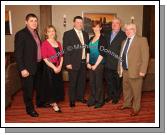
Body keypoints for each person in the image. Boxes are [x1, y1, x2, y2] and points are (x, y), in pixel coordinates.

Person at [118, 23, 149, 116]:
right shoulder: (124, 41)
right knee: (126, 89)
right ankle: (127, 104)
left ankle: (136, 108)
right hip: (125, 70)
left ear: (134, 30)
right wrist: (120, 68)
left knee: (136, 91)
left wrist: (143, 70)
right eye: (126, 29)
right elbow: (121, 56)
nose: (128, 31)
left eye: (130, 29)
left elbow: (145, 57)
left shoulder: (142, 40)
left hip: (136, 71)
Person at [14, 13, 42, 117]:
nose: (34, 23)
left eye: (35, 20)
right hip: (27, 68)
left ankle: (39, 103)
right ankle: (29, 109)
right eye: (31, 20)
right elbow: (18, 53)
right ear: (26, 22)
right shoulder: (21, 34)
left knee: (37, 87)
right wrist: (22, 69)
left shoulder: (35, 33)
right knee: (28, 90)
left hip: (38, 65)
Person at [63, 16, 89, 107]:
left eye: (81, 22)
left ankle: (80, 97)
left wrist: (88, 61)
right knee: (73, 82)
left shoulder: (85, 34)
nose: (79, 24)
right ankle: (72, 100)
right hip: (73, 62)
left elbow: (87, 49)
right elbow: (66, 50)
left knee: (82, 82)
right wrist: (67, 63)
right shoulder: (68, 34)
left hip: (83, 62)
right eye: (77, 22)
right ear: (73, 23)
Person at [40, 25, 64, 112]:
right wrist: (54, 67)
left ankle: (55, 100)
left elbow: (61, 56)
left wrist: (60, 66)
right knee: (51, 86)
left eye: (53, 31)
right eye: (49, 31)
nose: (51, 33)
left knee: (57, 85)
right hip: (49, 68)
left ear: (55, 32)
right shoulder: (44, 43)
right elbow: (45, 58)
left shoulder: (59, 43)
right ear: (46, 33)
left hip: (58, 66)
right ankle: (54, 104)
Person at [104, 17, 126, 104]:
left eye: (116, 23)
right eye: (113, 23)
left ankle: (116, 97)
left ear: (120, 25)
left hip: (118, 63)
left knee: (117, 82)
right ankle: (110, 95)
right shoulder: (107, 34)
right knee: (109, 81)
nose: (114, 25)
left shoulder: (124, 35)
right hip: (107, 62)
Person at [86, 21, 107, 108]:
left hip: (99, 64)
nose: (96, 28)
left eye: (98, 27)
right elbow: (88, 51)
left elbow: (102, 54)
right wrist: (87, 63)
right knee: (92, 83)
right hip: (90, 64)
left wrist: (95, 65)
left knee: (99, 83)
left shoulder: (103, 39)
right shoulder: (91, 38)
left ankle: (100, 101)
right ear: (93, 28)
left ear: (100, 28)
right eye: (94, 27)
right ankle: (93, 99)